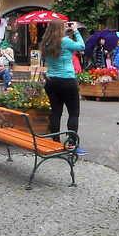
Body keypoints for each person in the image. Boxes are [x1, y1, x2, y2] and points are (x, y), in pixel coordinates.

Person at [40, 21, 86, 155]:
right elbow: (82, 46)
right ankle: (72, 143)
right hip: (67, 80)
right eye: (64, 26)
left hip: (51, 81)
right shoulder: (65, 41)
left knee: (56, 112)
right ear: (60, 29)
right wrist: (76, 30)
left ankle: (54, 142)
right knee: (73, 112)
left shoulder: (46, 43)